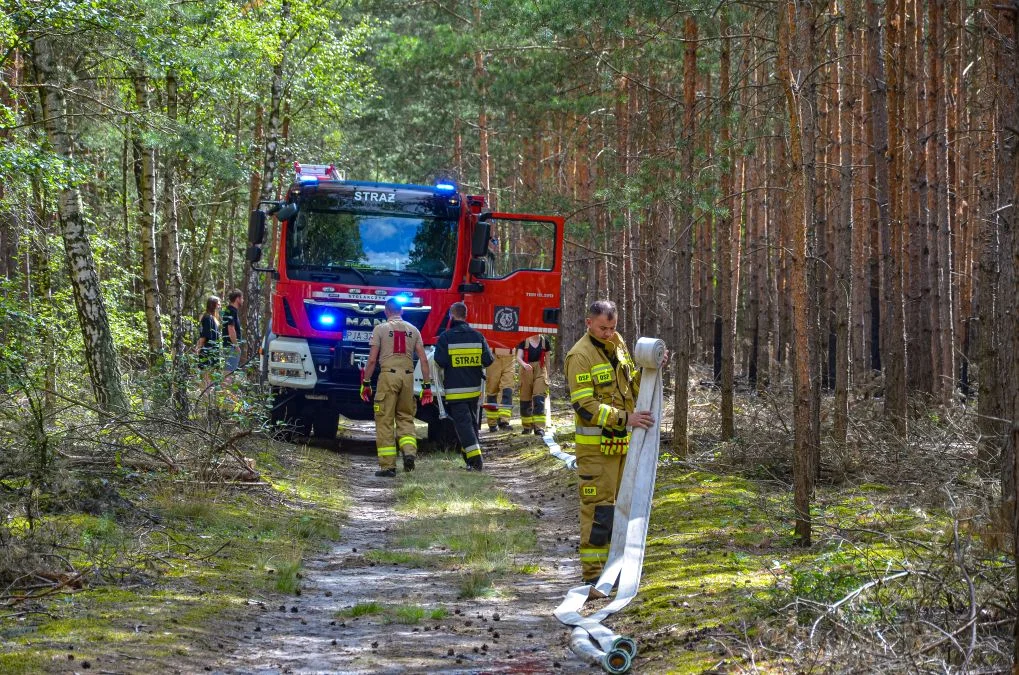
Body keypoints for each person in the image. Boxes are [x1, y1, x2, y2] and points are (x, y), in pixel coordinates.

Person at [565, 300, 655, 584]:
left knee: (622, 507)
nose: (608, 333)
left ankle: (615, 568)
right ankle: (593, 574)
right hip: (595, 449)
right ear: (588, 322)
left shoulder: (618, 345)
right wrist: (625, 418)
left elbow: (632, 385)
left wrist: (653, 368)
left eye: (613, 327)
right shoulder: (579, 355)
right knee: (598, 508)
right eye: (603, 327)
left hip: (621, 445)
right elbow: (584, 405)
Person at [361, 297, 433, 477]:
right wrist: (426, 386)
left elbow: (371, 360)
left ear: (386, 311)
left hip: (388, 376)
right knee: (406, 417)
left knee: (385, 419)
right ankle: (409, 453)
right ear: (401, 311)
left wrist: (366, 382)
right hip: (408, 377)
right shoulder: (414, 330)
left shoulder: (380, 329)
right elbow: (424, 360)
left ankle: (388, 467)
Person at [433, 301, 494, 471]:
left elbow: (440, 360)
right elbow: (488, 360)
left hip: (455, 390)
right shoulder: (477, 336)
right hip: (474, 390)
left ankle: (476, 461)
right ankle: (469, 459)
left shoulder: (446, 337)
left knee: (464, 426)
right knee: (471, 424)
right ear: (465, 316)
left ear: (451, 316)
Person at [517, 334, 551, 435]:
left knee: (539, 397)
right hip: (526, 370)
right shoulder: (524, 341)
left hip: (540, 370)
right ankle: (527, 427)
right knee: (525, 398)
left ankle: (539, 427)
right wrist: (524, 364)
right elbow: (518, 357)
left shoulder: (545, 342)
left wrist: (548, 376)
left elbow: (548, 361)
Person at [195, 296, 221, 391]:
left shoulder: (213, 318)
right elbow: (203, 336)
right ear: (213, 305)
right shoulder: (207, 318)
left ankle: (209, 401)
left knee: (210, 379)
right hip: (207, 352)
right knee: (206, 379)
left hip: (213, 352)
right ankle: (204, 401)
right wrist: (198, 348)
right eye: (218, 304)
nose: (219, 306)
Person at [484, 348, 515, 432]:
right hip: (494, 357)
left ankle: (504, 421)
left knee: (507, 390)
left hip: (510, 357)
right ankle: (492, 423)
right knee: (492, 391)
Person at [221, 289, 244, 374]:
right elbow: (231, 329)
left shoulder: (228, 310)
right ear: (237, 299)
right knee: (229, 373)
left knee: (228, 372)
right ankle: (225, 388)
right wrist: (236, 345)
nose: (243, 300)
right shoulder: (231, 311)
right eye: (242, 298)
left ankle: (225, 387)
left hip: (229, 346)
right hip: (231, 347)